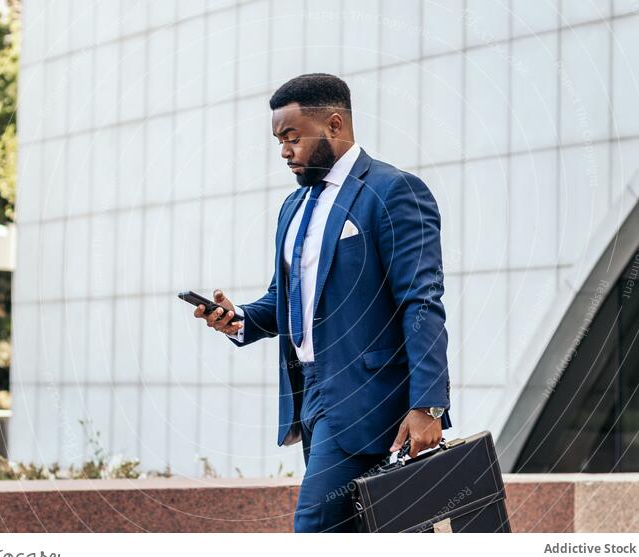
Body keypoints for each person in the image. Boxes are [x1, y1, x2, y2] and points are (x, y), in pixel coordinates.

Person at [194, 73, 452, 533]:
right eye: (278, 141)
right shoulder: (292, 208)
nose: (284, 151)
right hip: (308, 394)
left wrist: (428, 405)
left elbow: (421, 301)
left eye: (293, 138)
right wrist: (238, 320)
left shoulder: (394, 191)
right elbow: (284, 300)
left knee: (313, 527)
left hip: (368, 397)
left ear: (334, 125)